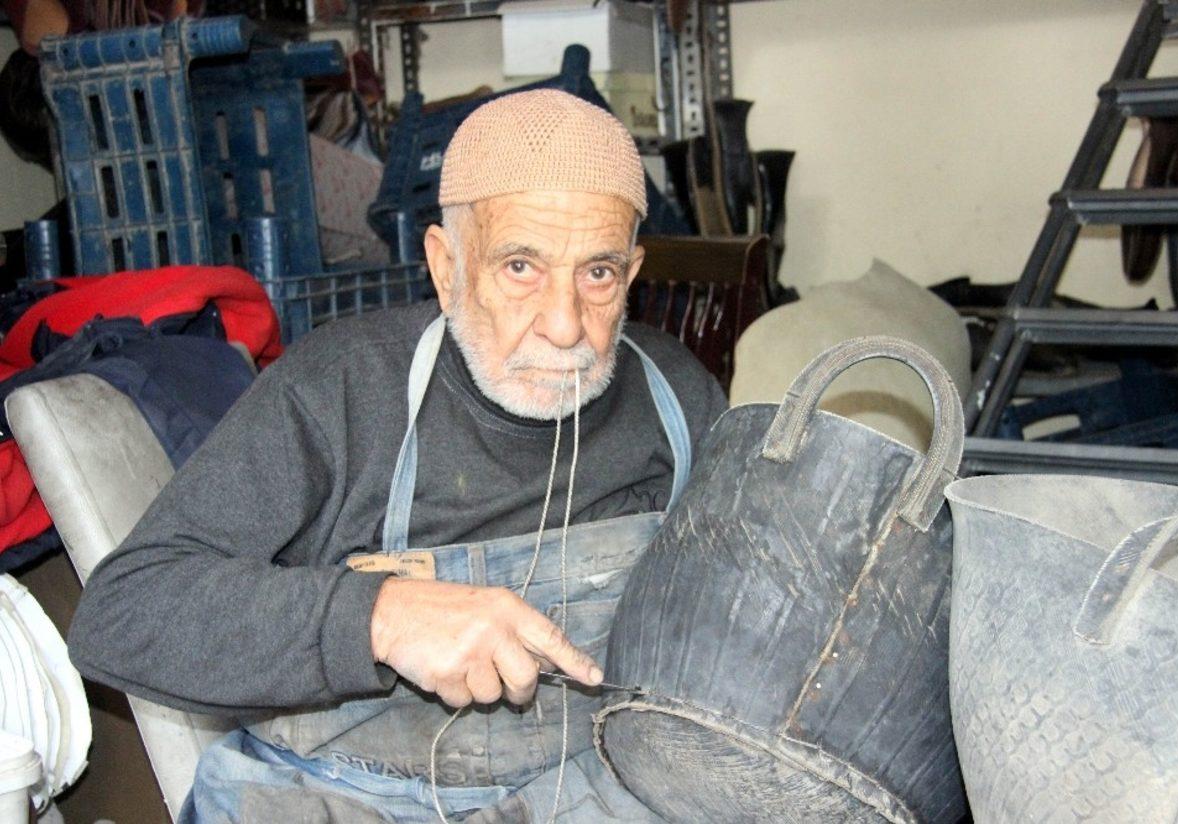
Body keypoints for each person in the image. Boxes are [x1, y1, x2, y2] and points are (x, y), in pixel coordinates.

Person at [67, 88, 727, 822]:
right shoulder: (341, 389)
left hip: (585, 788)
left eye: (597, 273)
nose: (566, 326)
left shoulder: (676, 400)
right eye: (520, 267)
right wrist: (381, 617)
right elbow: (123, 613)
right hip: (344, 796)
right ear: (445, 267)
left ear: (630, 273)